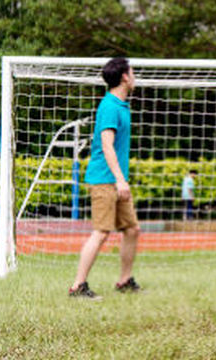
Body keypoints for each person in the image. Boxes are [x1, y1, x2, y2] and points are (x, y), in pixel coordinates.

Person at [69, 57, 141, 299]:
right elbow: (107, 146)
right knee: (101, 232)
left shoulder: (120, 105)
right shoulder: (110, 106)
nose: (135, 76)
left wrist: (120, 180)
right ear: (124, 77)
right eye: (132, 72)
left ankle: (124, 281)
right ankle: (78, 286)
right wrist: (120, 180)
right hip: (104, 179)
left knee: (132, 229)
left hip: (116, 179)